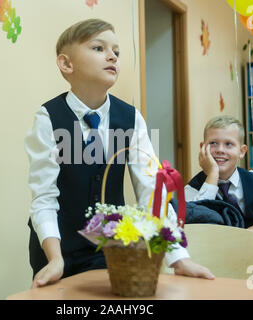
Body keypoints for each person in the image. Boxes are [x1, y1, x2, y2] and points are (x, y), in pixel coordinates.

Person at [25, 19, 214, 288]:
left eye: (117, 51)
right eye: (98, 48)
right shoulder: (48, 118)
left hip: (109, 250)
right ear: (67, 64)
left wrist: (178, 258)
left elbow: (152, 190)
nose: (112, 55)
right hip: (54, 249)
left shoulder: (131, 118)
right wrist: (55, 258)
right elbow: (43, 197)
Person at [184, 116, 253, 271]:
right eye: (213, 143)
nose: (220, 150)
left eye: (229, 144)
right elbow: (195, 231)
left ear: (242, 151)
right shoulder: (192, 189)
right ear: (202, 148)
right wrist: (212, 175)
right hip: (214, 265)